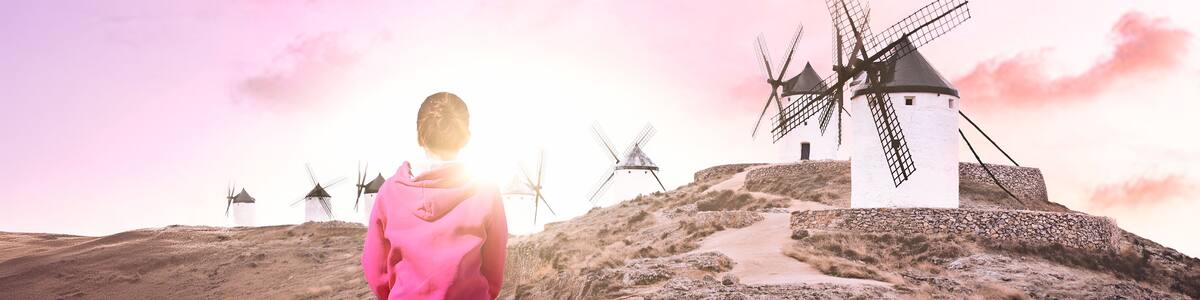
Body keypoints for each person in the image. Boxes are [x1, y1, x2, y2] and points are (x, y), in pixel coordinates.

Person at [362, 92, 507, 299]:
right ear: (466, 136)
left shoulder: (389, 193)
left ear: (420, 135)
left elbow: (376, 271)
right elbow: (494, 269)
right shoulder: (486, 191)